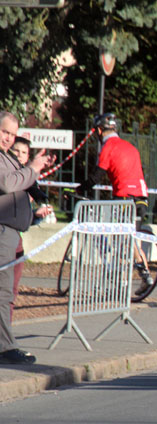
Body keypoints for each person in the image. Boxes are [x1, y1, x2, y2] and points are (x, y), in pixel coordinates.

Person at [76, 112, 154, 293]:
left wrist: (79, 189)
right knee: (130, 239)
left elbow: (96, 177)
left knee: (124, 237)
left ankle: (138, 274)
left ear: (100, 131)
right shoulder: (130, 147)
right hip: (141, 196)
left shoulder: (108, 147)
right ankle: (136, 278)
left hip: (124, 197)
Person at [0, 111, 55, 364]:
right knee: (2, 291)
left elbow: (21, 181)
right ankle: (6, 348)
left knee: (6, 292)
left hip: (10, 231)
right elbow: (9, 184)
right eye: (4, 132)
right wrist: (32, 168)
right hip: (2, 231)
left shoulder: (7, 157)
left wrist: (36, 173)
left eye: (12, 134)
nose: (8, 139)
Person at [8, 133, 54, 323]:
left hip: (17, 239)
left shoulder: (30, 179)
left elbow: (25, 216)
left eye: (24, 152)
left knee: (11, 291)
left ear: (28, 157)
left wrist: (36, 215)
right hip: (5, 237)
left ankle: (5, 339)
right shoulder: (7, 175)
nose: (19, 155)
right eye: (16, 151)